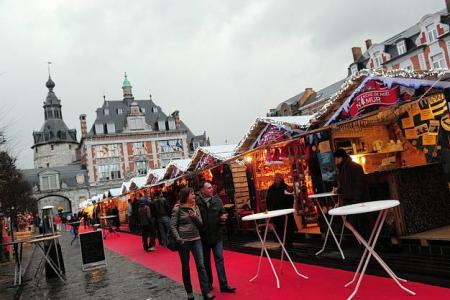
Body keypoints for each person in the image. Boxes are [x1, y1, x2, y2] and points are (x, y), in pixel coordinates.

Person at [171, 187, 215, 300]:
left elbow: (201, 224)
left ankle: (206, 292)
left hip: (196, 239)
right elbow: (173, 226)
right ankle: (189, 292)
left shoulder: (195, 207)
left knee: (201, 265)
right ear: (186, 196)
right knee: (185, 267)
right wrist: (178, 238)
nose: (194, 196)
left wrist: (194, 217)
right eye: (192, 194)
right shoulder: (178, 209)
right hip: (184, 242)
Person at [196, 181, 236, 294]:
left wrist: (224, 216)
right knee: (206, 262)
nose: (211, 189)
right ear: (202, 190)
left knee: (220, 260)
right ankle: (208, 284)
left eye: (211, 187)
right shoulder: (197, 202)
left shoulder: (217, 200)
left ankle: (224, 284)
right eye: (208, 188)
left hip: (217, 235)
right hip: (203, 237)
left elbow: (223, 212)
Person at [332, 148, 370, 238]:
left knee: (361, 226)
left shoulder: (355, 167)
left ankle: (366, 246)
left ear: (342, 158)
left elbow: (359, 186)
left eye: (337, 158)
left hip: (358, 202)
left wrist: (356, 201)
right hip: (351, 202)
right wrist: (338, 190)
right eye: (335, 158)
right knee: (355, 226)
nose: (336, 161)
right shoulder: (342, 169)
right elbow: (346, 186)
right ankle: (364, 245)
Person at [266, 173, 296, 248]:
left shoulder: (286, 187)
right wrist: (269, 209)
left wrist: (288, 208)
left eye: (279, 178)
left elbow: (290, 199)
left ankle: (288, 242)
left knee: (287, 227)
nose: (277, 179)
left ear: (281, 179)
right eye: (276, 178)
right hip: (275, 211)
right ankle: (282, 242)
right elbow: (268, 200)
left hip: (285, 211)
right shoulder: (271, 188)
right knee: (279, 228)